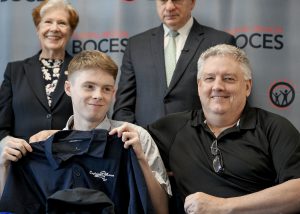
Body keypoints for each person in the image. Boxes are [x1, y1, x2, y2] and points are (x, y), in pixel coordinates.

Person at [112, 44, 300, 213]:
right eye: (209, 78)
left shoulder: (275, 128)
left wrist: (223, 207)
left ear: (247, 86)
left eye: (228, 78)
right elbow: (122, 141)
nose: (218, 86)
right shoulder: (172, 128)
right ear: (199, 85)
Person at [0, 50, 171, 213]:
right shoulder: (41, 145)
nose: (98, 95)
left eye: (106, 89)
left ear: (114, 93)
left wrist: (139, 158)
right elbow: (12, 206)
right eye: (89, 86)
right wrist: (4, 167)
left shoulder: (136, 138)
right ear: (68, 88)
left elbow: (162, 210)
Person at [113, 0, 236, 127]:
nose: (169, 7)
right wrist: (140, 139)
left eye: (176, 0)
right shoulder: (136, 45)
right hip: (144, 143)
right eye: (163, 1)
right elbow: (123, 108)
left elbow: (232, 102)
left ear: (192, 2)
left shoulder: (220, 41)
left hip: (200, 142)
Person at [0, 0, 79, 151]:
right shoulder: (14, 71)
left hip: (69, 163)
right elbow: (2, 127)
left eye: (62, 23)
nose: (54, 28)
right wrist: (6, 145)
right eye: (48, 22)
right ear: (38, 28)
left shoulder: (82, 71)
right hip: (23, 163)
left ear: (70, 31)